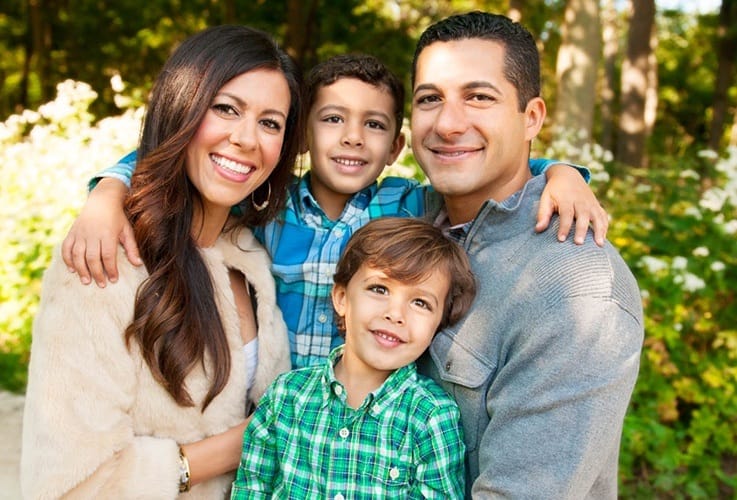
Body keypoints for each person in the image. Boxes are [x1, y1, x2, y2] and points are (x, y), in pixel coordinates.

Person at [61, 53, 607, 370]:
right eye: (332, 119)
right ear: (301, 134)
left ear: (396, 147)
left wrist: (562, 173)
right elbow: (177, 159)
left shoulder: (411, 205)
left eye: (374, 124)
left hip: (371, 416)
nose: (352, 138)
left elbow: (496, 173)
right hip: (280, 412)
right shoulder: (268, 206)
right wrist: (108, 189)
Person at [20, 24, 301, 498]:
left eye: (270, 123)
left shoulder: (250, 257)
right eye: (226, 108)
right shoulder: (103, 263)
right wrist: (251, 438)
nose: (247, 139)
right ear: (181, 110)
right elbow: (70, 485)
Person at [410, 11, 644, 498]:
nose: (448, 124)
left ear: (532, 117)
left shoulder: (576, 289)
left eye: (479, 97)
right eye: (430, 99)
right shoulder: (408, 223)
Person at [231, 217, 476, 499]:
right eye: (379, 289)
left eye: (420, 303)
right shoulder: (285, 396)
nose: (395, 314)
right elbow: (252, 487)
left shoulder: (432, 417)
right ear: (342, 298)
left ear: (438, 324)